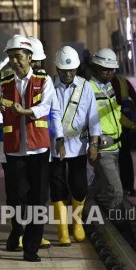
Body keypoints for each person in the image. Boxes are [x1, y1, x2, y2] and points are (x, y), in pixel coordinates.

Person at [0, 35, 64, 262]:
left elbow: (48, 107)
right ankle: (18, 227)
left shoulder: (44, 81)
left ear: (30, 58)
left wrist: (25, 112)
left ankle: (30, 248)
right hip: (13, 150)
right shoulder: (3, 83)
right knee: (16, 197)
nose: (14, 61)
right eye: (10, 57)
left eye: (18, 56)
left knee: (38, 200)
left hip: (39, 150)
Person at [87, 48, 136, 236]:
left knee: (97, 184)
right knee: (116, 191)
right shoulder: (89, 89)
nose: (110, 73)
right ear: (96, 67)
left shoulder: (109, 87)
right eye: (105, 69)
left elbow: (117, 114)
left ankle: (78, 208)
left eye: (112, 69)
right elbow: (86, 119)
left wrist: (134, 126)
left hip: (115, 146)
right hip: (102, 148)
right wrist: (94, 144)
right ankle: (119, 229)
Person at [49, 46, 101, 246]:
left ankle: (76, 223)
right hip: (54, 148)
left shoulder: (85, 87)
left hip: (79, 146)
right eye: (64, 70)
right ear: (57, 69)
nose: (68, 74)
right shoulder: (50, 86)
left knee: (79, 187)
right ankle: (62, 230)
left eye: (72, 70)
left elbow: (93, 117)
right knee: (57, 187)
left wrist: (94, 143)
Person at [111, 74, 136, 196]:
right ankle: (128, 187)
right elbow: (135, 99)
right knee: (124, 156)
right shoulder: (123, 81)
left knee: (112, 158)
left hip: (116, 125)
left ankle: (121, 188)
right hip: (121, 126)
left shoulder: (101, 82)